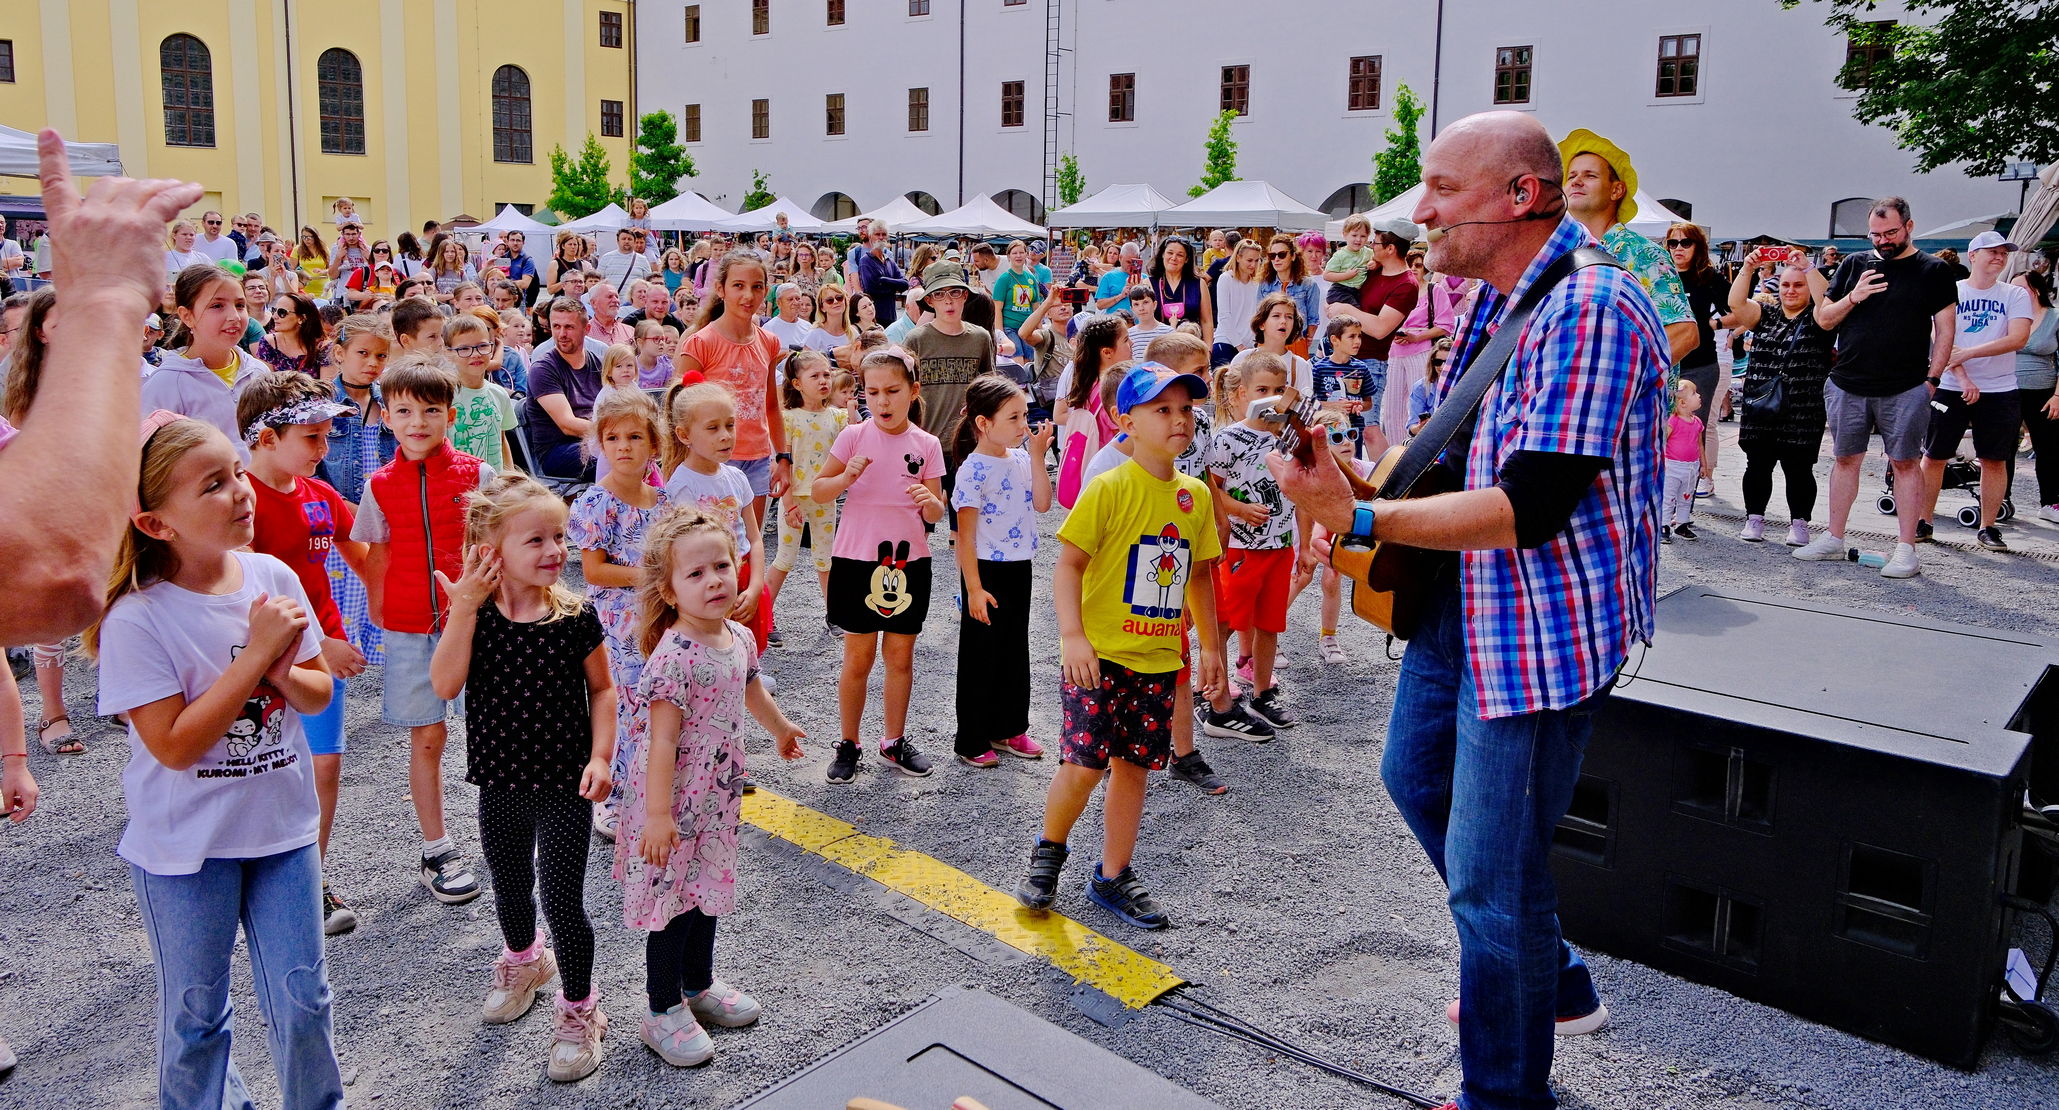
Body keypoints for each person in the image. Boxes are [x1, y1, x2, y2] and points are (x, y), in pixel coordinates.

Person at [1271, 109, 1669, 1110]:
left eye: (1444, 188)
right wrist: (1348, 480)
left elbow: (1527, 507)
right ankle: (1550, 971)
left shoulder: (1589, 307)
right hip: (1465, 608)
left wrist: (1358, 518)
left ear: (1520, 197)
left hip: (1533, 636)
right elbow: (1448, 465)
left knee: (1489, 885)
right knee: (1416, 785)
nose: (1421, 209)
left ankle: (1500, 1093)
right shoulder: (1498, 296)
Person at [89, 417, 346, 1110]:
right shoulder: (137, 619)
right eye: (213, 485)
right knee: (197, 1020)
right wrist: (260, 655)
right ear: (155, 522)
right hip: (184, 851)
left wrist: (288, 672)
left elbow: (318, 690)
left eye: (236, 472)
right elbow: (173, 744)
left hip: (283, 833)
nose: (241, 492)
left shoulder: (272, 573)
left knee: (304, 1003)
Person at [1014, 362, 1227, 930]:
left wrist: (1210, 649)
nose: (1179, 420)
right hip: (1098, 659)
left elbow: (1201, 576)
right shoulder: (1108, 486)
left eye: (1186, 409)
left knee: (1134, 769)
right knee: (1083, 767)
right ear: (1125, 420)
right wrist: (1073, 636)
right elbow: (1068, 567)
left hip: (1159, 659)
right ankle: (1049, 852)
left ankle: (1113, 875)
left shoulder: (1197, 496)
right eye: (1163, 410)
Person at [428, 475, 614, 1083]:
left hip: (564, 785)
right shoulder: (475, 617)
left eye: (558, 536)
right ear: (491, 549)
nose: (554, 549)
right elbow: (444, 685)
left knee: (563, 901)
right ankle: (524, 961)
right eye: (535, 539)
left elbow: (604, 690)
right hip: (500, 782)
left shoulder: (575, 616)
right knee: (510, 890)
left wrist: (601, 757)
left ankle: (581, 1009)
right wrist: (460, 608)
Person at [618, 507, 803, 1069]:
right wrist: (656, 815)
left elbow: (749, 688)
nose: (714, 580)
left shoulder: (737, 637)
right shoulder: (675, 657)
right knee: (673, 903)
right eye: (695, 575)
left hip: (717, 798)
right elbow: (662, 743)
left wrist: (779, 728)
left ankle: (697, 986)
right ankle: (660, 1009)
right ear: (669, 592)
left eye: (721, 566)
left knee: (708, 888)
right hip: (672, 803)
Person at [349, 355, 494, 905]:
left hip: (476, 620)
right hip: (410, 625)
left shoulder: (477, 475)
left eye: (430, 410)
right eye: (404, 411)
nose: (417, 422)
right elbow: (377, 553)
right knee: (428, 735)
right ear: (386, 416)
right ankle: (437, 846)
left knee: (490, 729)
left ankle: (503, 832)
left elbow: (499, 538)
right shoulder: (379, 484)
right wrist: (378, 612)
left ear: (449, 415)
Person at [235, 370, 370, 938]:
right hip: (265, 662)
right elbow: (244, 593)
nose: (325, 449)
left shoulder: (319, 494)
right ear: (266, 438)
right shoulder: (239, 499)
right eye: (311, 438)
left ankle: (307, 876)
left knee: (324, 766)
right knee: (261, 765)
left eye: (327, 436)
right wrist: (325, 642)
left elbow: (359, 549)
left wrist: (393, 605)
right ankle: (250, 872)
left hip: (323, 654)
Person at [1794, 196, 1959, 577]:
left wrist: (1932, 381)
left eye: (1890, 232)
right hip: (1848, 382)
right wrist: (1854, 296)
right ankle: (1833, 538)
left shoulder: (1933, 270)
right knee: (1844, 459)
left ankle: (1906, 550)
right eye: (1875, 234)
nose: (1883, 240)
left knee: (1904, 462)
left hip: (1906, 386)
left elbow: (1946, 330)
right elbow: (1824, 320)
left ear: (1909, 226)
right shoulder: (1854, 264)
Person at [809, 349, 947, 783]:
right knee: (858, 656)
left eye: (892, 391)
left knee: (901, 655)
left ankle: (893, 740)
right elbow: (817, 491)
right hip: (855, 559)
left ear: (913, 391)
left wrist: (932, 503)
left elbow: (936, 514)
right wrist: (845, 478)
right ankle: (849, 742)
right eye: (873, 392)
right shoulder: (852, 436)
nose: (882, 401)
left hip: (909, 563)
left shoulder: (927, 445)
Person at [569, 391, 670, 843]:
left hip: (660, 621)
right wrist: (651, 577)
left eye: (635, 437)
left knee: (660, 705)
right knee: (625, 708)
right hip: (617, 626)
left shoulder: (662, 499)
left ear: (654, 444)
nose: (624, 446)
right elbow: (595, 570)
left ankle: (655, 792)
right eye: (613, 438)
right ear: (600, 446)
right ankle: (612, 799)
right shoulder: (597, 502)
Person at [948, 377, 1054, 767]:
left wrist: (1040, 457)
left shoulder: (1023, 459)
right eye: (1013, 417)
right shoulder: (973, 469)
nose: (1023, 424)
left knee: (1013, 649)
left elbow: (1043, 504)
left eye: (1024, 415)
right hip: (985, 570)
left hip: (1019, 566)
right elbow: (964, 537)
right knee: (980, 655)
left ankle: (1009, 727)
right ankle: (971, 737)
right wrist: (972, 589)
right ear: (984, 422)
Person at [1205, 351, 1306, 732]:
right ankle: (1211, 692)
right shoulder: (1228, 439)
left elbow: (1302, 492)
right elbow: (1210, 489)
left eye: (1278, 390)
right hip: (1241, 547)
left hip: (1280, 546)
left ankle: (1263, 694)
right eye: (1262, 389)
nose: (1271, 396)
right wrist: (1239, 510)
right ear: (1241, 394)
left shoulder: (1289, 437)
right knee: (1228, 620)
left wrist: (1306, 541)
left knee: (1270, 624)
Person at [1918, 232, 2034, 549]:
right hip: (1952, 386)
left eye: (2003, 253)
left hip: (2000, 388)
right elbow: (1941, 338)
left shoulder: (2014, 295)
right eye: (1991, 252)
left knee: (1994, 459)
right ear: (1973, 256)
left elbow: (2018, 338)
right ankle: (1923, 521)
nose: (1998, 257)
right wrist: (1964, 375)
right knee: (1934, 456)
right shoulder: (1951, 291)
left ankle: (1988, 526)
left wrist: (1969, 354)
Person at [1559, 129, 1698, 367]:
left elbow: (1685, 332)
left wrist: (1625, 383)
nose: (1576, 181)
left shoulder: (1641, 253)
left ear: (1616, 190)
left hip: (1622, 401)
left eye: (1590, 175)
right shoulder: (1563, 252)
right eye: (1571, 176)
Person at [659, 384, 772, 662]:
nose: (725, 436)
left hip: (743, 575)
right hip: (710, 579)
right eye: (713, 428)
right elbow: (683, 553)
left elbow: (754, 538)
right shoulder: (682, 486)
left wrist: (757, 584)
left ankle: (747, 679)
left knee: (746, 643)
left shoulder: (736, 477)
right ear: (685, 435)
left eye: (730, 425)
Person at [678, 252, 793, 521]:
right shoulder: (701, 343)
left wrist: (784, 456)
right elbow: (680, 408)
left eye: (756, 287)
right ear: (721, 289)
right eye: (738, 286)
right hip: (713, 457)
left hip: (757, 457)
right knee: (713, 543)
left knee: (751, 543)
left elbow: (771, 406)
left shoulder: (769, 342)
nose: (748, 296)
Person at [1728, 249, 1833, 545]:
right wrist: (1748, 268)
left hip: (1802, 407)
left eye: (1798, 285)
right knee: (1757, 463)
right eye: (1786, 284)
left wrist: (1808, 268)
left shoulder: (1818, 318)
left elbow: (1826, 299)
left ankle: (1799, 523)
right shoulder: (1766, 314)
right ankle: (1754, 518)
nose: (1790, 290)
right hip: (1761, 405)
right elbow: (1736, 303)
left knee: (1799, 468)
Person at [147, 265, 269, 449]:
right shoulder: (166, 385)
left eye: (240, 305)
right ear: (187, 316)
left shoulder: (258, 372)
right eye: (217, 306)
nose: (234, 316)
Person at [767, 350, 846, 631]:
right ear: (797, 383)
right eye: (815, 376)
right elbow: (782, 465)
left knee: (826, 559)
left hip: (824, 498)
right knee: (785, 558)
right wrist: (787, 504)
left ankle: (833, 613)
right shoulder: (787, 419)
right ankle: (763, 616)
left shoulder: (838, 418)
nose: (823, 381)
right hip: (796, 499)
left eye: (827, 374)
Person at [1664, 223, 1732, 497]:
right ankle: (1669, 482)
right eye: (1673, 243)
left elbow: (1742, 309)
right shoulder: (1660, 277)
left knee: (1698, 424)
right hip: (1668, 361)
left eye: (1686, 243)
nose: (1678, 248)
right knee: (1667, 425)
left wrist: (1714, 324)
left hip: (1701, 363)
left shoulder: (1708, 276)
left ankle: (1703, 476)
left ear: (1698, 247)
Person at [903, 261, 999, 441]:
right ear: (929, 301)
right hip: (925, 441)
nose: (948, 300)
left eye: (954, 292)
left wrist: (978, 405)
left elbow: (990, 387)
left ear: (964, 295)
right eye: (939, 294)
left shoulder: (980, 338)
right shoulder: (915, 340)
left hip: (968, 441)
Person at [525, 296, 610, 479]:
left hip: (597, 440)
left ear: (586, 329)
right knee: (620, 457)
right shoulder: (543, 369)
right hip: (559, 451)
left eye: (569, 327)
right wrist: (615, 434)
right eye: (556, 326)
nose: (561, 334)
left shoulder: (599, 364)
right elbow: (567, 425)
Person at [2015, 270, 2059, 523]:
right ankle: (2001, 499)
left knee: (2048, 447)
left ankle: (2050, 501)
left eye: (2021, 288)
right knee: (2003, 447)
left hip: (2044, 390)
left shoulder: (2054, 317)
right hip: (2006, 388)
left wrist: (2057, 395)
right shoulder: (2009, 317)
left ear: (2037, 290)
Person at [445, 314, 517, 470]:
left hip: (493, 486)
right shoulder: (443, 396)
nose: (476, 354)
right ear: (449, 353)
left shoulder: (499, 394)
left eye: (482, 346)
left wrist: (510, 476)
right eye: (464, 349)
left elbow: (502, 440)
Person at [1311, 316, 1379, 451]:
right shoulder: (1319, 368)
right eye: (1351, 336)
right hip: (1327, 430)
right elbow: (1309, 402)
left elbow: (1368, 403)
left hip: (1354, 430)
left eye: (1359, 336)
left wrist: (1358, 406)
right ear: (1335, 340)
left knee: (1353, 465)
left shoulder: (1361, 368)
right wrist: (1333, 406)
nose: (1357, 341)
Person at [1148, 236, 1214, 344]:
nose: (1174, 258)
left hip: (1191, 347)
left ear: (1186, 259)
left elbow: (1206, 321)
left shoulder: (1199, 284)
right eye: (1170, 253)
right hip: (1158, 348)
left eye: (1180, 255)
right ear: (1163, 254)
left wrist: (1208, 351)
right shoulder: (1149, 283)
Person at [1661, 380, 1704, 541]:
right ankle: (1663, 524)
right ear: (1683, 402)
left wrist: (1703, 465)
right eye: (1694, 393)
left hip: (1691, 467)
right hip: (1672, 465)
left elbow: (1700, 444)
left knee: (1686, 496)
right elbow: (1664, 440)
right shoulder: (1673, 421)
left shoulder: (1697, 422)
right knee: (1668, 497)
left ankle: (1681, 523)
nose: (1699, 395)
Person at [1212, 238, 1266, 359]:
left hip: (1250, 346)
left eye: (1257, 260)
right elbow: (1224, 316)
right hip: (1226, 343)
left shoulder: (1257, 283)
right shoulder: (1226, 279)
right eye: (1249, 260)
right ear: (1238, 258)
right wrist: (1240, 346)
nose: (1253, 265)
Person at [255, 291, 328, 377]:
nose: (274, 316)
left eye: (282, 312)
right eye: (274, 310)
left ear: (301, 318)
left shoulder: (323, 347)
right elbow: (267, 384)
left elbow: (327, 387)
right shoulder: (268, 343)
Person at [856, 223, 910, 328]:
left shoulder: (890, 261)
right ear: (870, 236)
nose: (881, 237)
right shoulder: (866, 261)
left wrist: (883, 280)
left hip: (891, 315)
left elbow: (905, 284)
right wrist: (894, 287)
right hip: (875, 317)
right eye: (877, 234)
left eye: (884, 234)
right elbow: (872, 289)